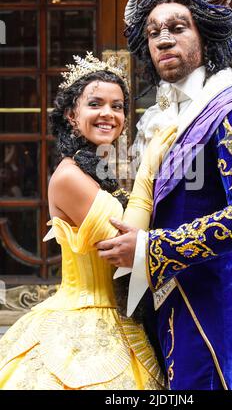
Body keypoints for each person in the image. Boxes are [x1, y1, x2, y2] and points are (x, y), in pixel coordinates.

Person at [96, 0, 232, 390]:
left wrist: (151, 247)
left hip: (217, 310)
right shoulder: (168, 115)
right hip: (171, 302)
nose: (163, 40)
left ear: (205, 35)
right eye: (153, 33)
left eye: (177, 28)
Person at [0, 52, 177, 390]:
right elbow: (128, 241)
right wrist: (150, 166)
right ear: (71, 114)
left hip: (123, 317)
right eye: (96, 104)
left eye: (118, 106)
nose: (108, 114)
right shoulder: (69, 177)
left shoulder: (96, 170)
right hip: (84, 323)